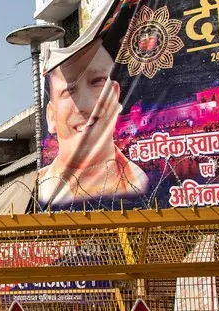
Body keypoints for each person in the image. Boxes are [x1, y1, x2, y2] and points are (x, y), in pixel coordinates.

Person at [38, 38, 149, 207]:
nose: (85, 105)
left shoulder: (143, 184)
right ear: (51, 117)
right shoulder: (39, 191)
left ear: (115, 96)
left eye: (97, 82)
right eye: (69, 90)